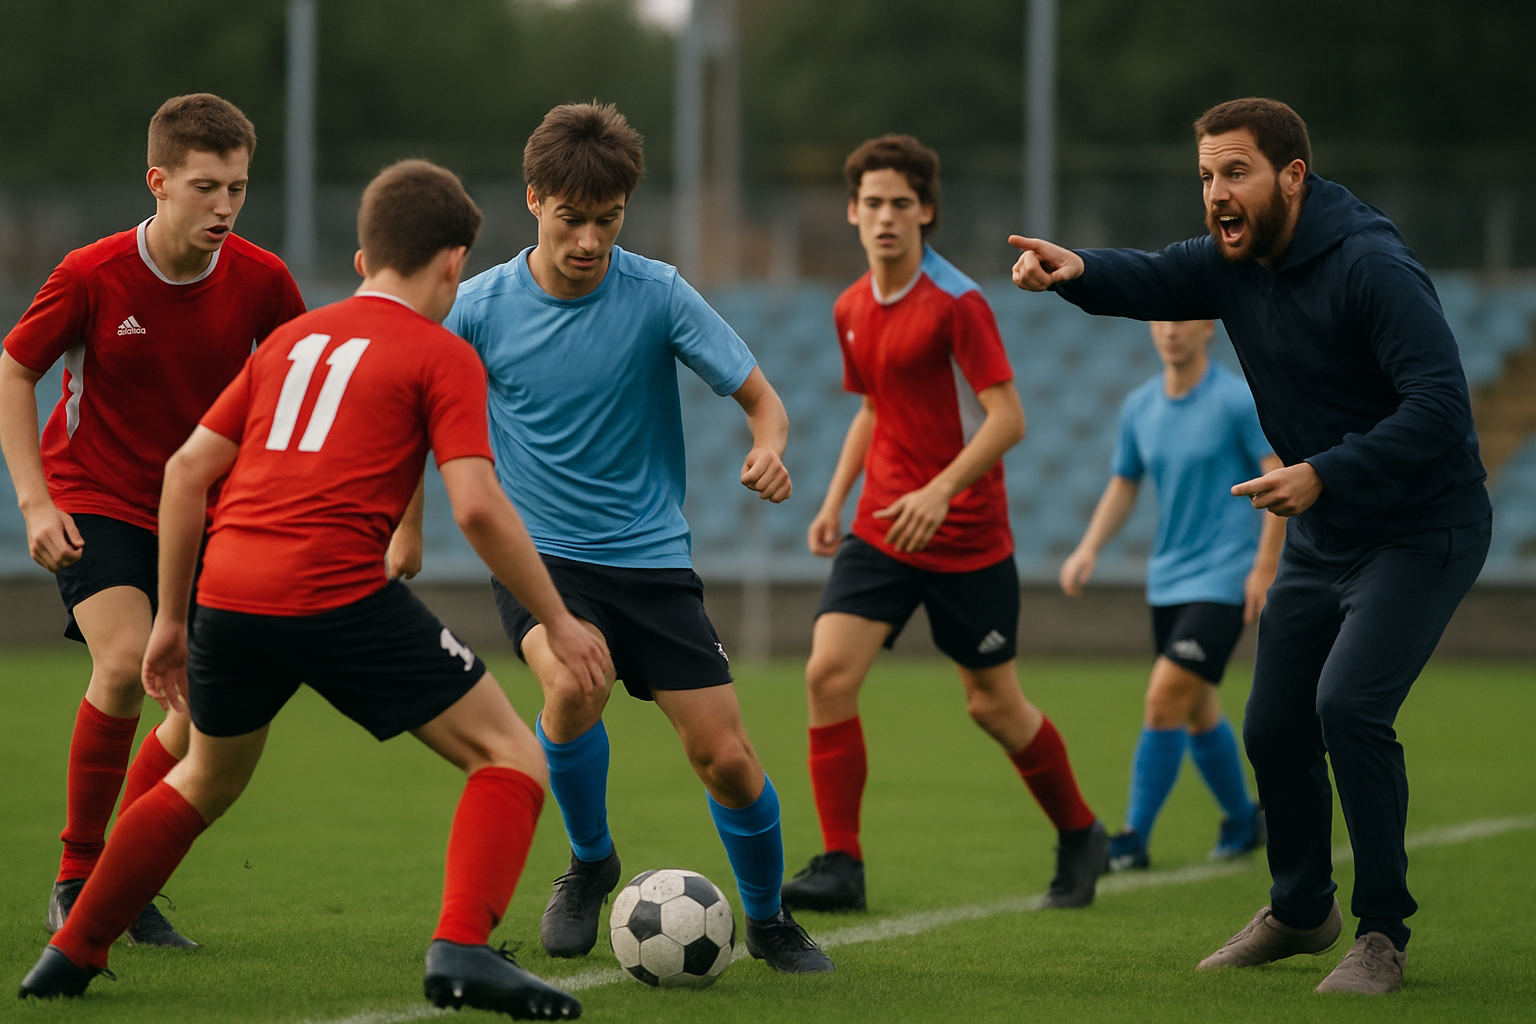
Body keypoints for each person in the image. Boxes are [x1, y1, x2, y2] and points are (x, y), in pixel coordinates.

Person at [19, 160, 608, 1018]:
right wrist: (558, 620)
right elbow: (478, 505)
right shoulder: (442, 353)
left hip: (229, 590)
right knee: (509, 755)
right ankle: (462, 951)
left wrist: (175, 619)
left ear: (365, 258)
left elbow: (188, 472)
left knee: (204, 778)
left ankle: (67, 954)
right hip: (334, 592)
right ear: (454, 262)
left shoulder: (297, 340)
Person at [1011, 97, 1491, 995]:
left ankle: (1382, 935)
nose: (1216, 193)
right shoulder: (1234, 261)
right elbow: (1153, 278)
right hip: (1326, 531)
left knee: (1348, 706)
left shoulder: (1370, 265)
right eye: (1205, 176)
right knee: (1272, 726)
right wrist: (1076, 270)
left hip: (1423, 527)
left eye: (1235, 172)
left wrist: (1326, 472)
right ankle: (1304, 909)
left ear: (1292, 177)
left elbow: (1440, 408)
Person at [432, 102, 833, 974]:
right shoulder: (479, 307)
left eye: (606, 221)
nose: (588, 240)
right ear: (534, 200)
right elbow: (404, 396)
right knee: (574, 684)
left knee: (724, 757)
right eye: (571, 219)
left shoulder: (656, 293)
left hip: (651, 558)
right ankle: (588, 862)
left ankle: (767, 920)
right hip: (541, 559)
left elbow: (763, 400)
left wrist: (768, 449)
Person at [0, 93, 305, 947]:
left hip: (207, 514)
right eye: (207, 187)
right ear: (158, 181)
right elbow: (14, 370)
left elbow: (300, 391)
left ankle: (118, 884)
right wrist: (34, 500)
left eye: (238, 188)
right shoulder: (93, 272)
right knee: (130, 662)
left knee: (201, 705)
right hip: (97, 497)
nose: (225, 207)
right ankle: (75, 877)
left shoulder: (263, 280)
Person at [780, 135, 1108, 915]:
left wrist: (940, 491)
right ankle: (841, 864)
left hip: (965, 535)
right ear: (852, 214)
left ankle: (1081, 831)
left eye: (901, 203)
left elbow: (1007, 420)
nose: (886, 217)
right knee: (827, 674)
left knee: (992, 706)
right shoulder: (849, 306)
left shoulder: (958, 302)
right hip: (884, 526)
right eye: (872, 204)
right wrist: (834, 502)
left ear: (925, 211)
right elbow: (871, 409)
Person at [1060, 318, 1284, 873]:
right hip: (1169, 581)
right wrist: (1088, 547)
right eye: (1161, 321)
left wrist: (1264, 566)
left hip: (1224, 578)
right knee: (1195, 707)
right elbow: (1124, 481)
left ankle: (1132, 838)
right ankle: (1242, 820)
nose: (1171, 331)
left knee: (1164, 697)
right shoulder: (1140, 406)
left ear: (1208, 328)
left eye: (1183, 320)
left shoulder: (1236, 400)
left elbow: (1277, 474)